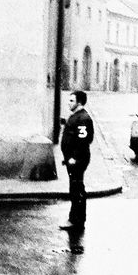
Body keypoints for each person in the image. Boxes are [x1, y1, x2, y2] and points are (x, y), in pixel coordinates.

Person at [60, 91, 94, 230]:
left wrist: (74, 157)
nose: (69, 103)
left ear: (79, 103)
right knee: (75, 188)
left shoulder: (83, 119)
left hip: (77, 160)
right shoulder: (77, 117)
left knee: (76, 189)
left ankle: (76, 220)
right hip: (72, 160)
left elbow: (84, 141)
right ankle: (76, 219)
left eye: (71, 101)